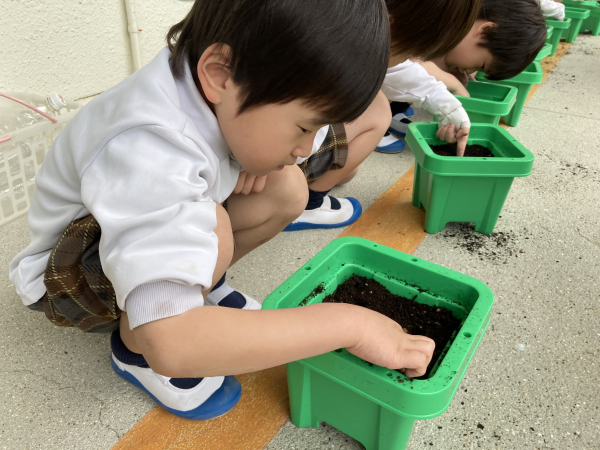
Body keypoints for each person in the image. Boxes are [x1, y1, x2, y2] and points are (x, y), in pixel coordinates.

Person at [9, 0, 435, 421]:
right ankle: (133, 349)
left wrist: (243, 159)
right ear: (219, 74)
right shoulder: (151, 143)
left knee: (286, 187)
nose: (307, 148)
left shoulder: (214, 84)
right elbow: (173, 345)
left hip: (125, 231)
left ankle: (195, 287)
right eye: (304, 127)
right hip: (64, 276)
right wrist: (350, 326)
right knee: (214, 231)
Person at [285, 0, 481, 231]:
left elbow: (399, 72)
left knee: (347, 171)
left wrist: (450, 108)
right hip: (269, 153)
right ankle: (308, 206)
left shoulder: (340, 23)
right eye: (409, 52)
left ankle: (295, 185)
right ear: (387, 26)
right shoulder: (328, 45)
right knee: (376, 109)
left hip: (270, 145)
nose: (409, 59)